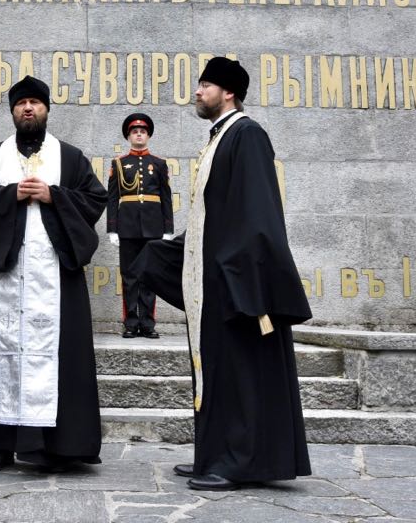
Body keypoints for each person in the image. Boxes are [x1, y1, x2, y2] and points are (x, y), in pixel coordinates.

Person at [132, 57, 312, 491]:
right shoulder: (221, 137)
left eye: (206, 85)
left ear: (228, 92)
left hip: (237, 282)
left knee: (239, 373)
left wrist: (241, 278)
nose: (197, 92)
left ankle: (235, 462)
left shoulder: (247, 135)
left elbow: (257, 212)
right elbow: (215, 216)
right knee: (216, 371)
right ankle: (213, 455)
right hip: (216, 278)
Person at [0, 75, 107, 473]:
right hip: (1, 277)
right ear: (13, 111)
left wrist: (54, 196)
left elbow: (95, 198)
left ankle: (56, 445)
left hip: (54, 279)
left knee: (57, 357)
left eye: (35, 102)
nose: (28, 108)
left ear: (47, 109)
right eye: (21, 103)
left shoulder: (70, 158)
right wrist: (9, 195)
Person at [106, 113, 174, 339]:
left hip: (153, 228)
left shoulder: (159, 163)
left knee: (149, 276)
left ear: (148, 136)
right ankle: (130, 323)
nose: (138, 134)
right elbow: (113, 198)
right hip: (127, 228)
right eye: (134, 132)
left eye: (142, 131)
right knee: (129, 277)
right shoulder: (119, 163)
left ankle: (147, 325)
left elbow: (166, 198)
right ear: (128, 136)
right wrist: (112, 229)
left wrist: (168, 229)